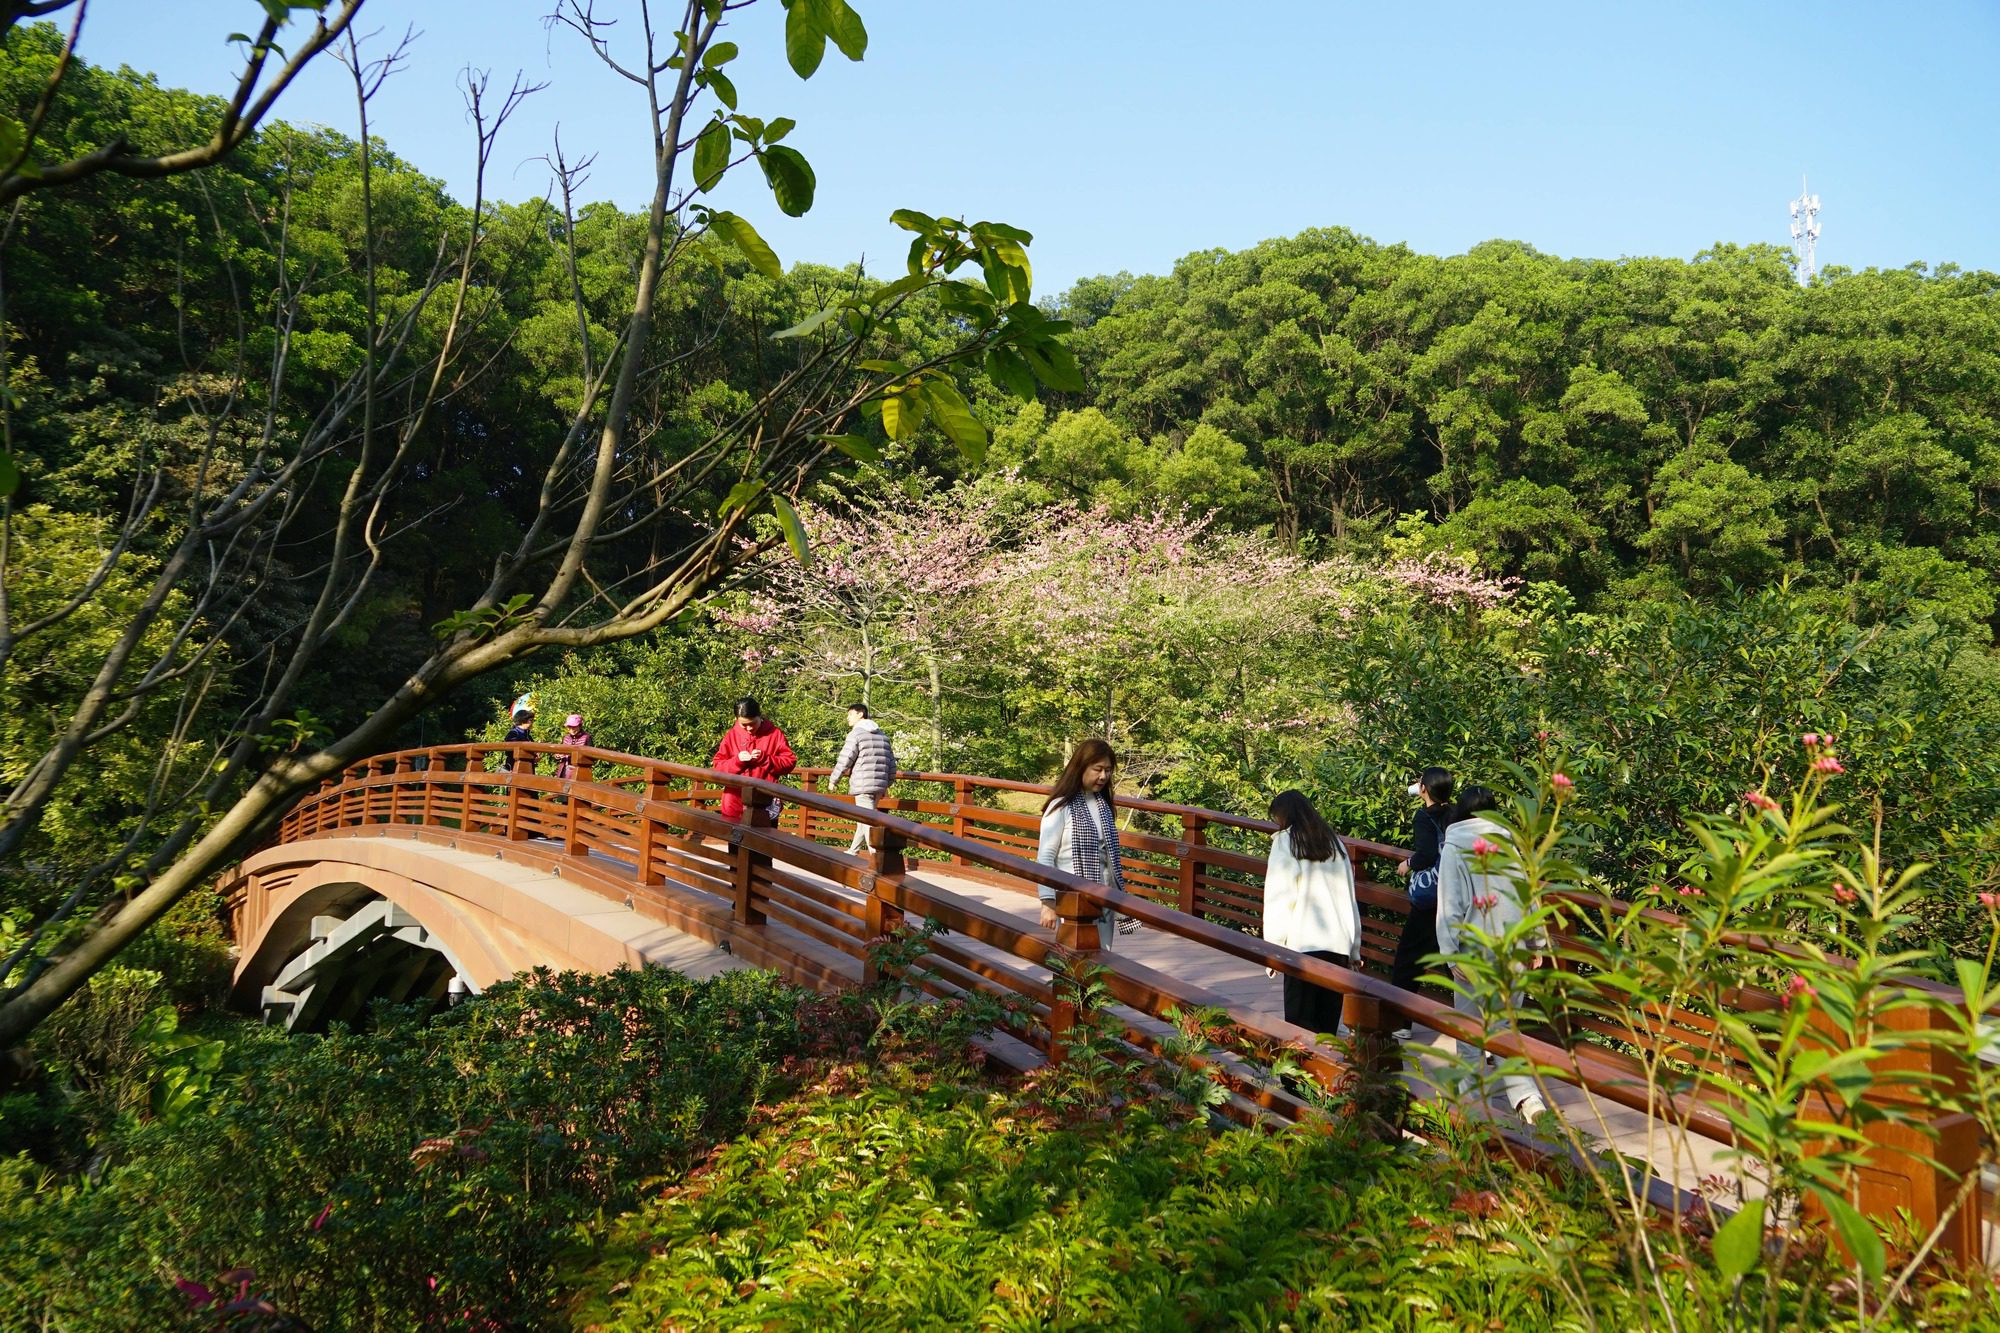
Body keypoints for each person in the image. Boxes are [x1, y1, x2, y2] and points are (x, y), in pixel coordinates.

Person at [1436, 786, 1548, 1121]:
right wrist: (1535, 943)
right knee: (1506, 1029)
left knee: (1470, 1030)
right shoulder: (1509, 844)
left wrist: (1450, 953)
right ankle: (1529, 1100)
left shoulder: (1455, 846)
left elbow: (1450, 905)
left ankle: (1471, 1104)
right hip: (1512, 946)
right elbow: (1526, 895)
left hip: (1474, 951)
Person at [1261, 790, 1361, 1038]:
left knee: (1299, 1026)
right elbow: (1349, 898)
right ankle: (1324, 1076)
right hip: (1337, 946)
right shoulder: (1335, 843)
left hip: (1301, 948)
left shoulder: (1286, 841)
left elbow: (1280, 898)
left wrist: (1274, 949)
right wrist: (1354, 949)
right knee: (1327, 1028)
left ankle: (1298, 1077)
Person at [1035, 738, 1126, 948]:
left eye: (1108, 770)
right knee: (1072, 959)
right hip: (1072, 900)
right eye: (1098, 769)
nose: (1103, 776)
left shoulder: (1103, 806)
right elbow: (1046, 857)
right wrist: (1047, 902)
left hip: (1104, 898)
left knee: (1102, 956)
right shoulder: (1061, 806)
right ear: (1081, 767)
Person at [1389, 767, 1454, 1019]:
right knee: (1453, 959)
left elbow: (1426, 854)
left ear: (1424, 789)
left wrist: (1408, 864)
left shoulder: (1423, 817)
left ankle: (1398, 1019)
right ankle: (1477, 1021)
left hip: (1429, 900)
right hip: (1452, 894)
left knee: (1409, 957)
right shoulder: (1455, 813)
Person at [711, 697, 797, 821]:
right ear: (737, 720)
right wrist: (737, 760)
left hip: (766, 803)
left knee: (764, 840)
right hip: (734, 803)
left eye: (753, 723)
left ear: (759, 717)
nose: (749, 728)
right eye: (744, 725)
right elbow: (718, 766)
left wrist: (765, 759)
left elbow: (789, 762)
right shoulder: (731, 736)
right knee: (735, 840)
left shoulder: (775, 734)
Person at [828, 702, 898, 854]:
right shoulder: (883, 736)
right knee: (865, 818)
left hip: (863, 784)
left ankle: (877, 856)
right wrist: (887, 783)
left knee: (866, 819)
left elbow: (846, 758)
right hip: (879, 785)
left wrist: (834, 779)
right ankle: (853, 850)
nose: (848, 718)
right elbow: (891, 762)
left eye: (850, 714)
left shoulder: (856, 734)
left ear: (860, 714)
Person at [555, 713, 592, 780]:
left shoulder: (587, 737)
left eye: (574, 726)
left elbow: (591, 756)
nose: (571, 729)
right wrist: (558, 755)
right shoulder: (566, 737)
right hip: (564, 769)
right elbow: (560, 751)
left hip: (579, 770)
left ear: (580, 726)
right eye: (569, 726)